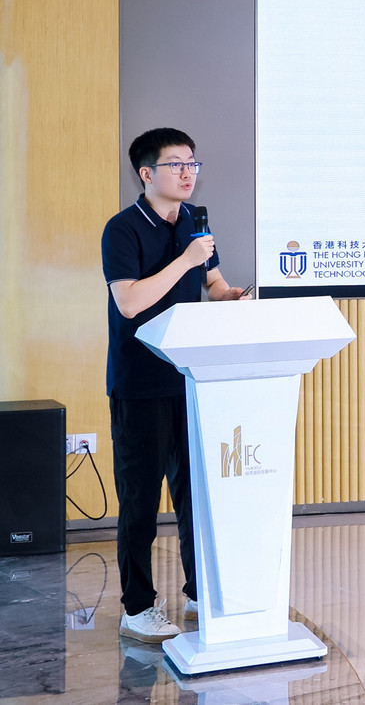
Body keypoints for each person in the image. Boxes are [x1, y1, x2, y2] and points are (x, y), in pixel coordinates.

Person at [101, 128, 248, 643]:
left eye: (192, 163)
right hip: (140, 383)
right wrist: (184, 259)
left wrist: (231, 297)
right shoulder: (122, 229)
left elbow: (212, 283)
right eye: (176, 164)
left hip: (191, 377)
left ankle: (197, 590)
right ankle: (137, 607)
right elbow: (129, 303)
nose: (188, 173)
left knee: (194, 498)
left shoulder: (194, 221)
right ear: (147, 173)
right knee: (140, 502)